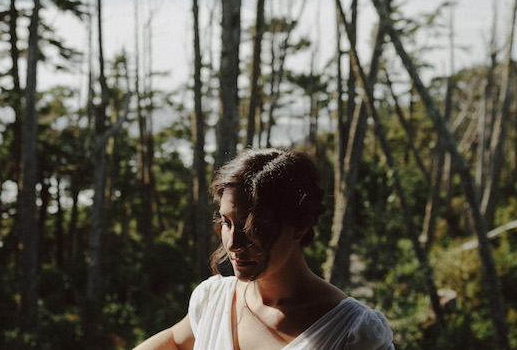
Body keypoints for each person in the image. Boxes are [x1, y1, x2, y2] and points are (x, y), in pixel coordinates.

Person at [134, 148, 394, 350]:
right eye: (227, 222)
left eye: (254, 226)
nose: (233, 243)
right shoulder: (214, 299)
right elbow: (176, 342)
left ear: (299, 228)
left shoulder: (353, 332)